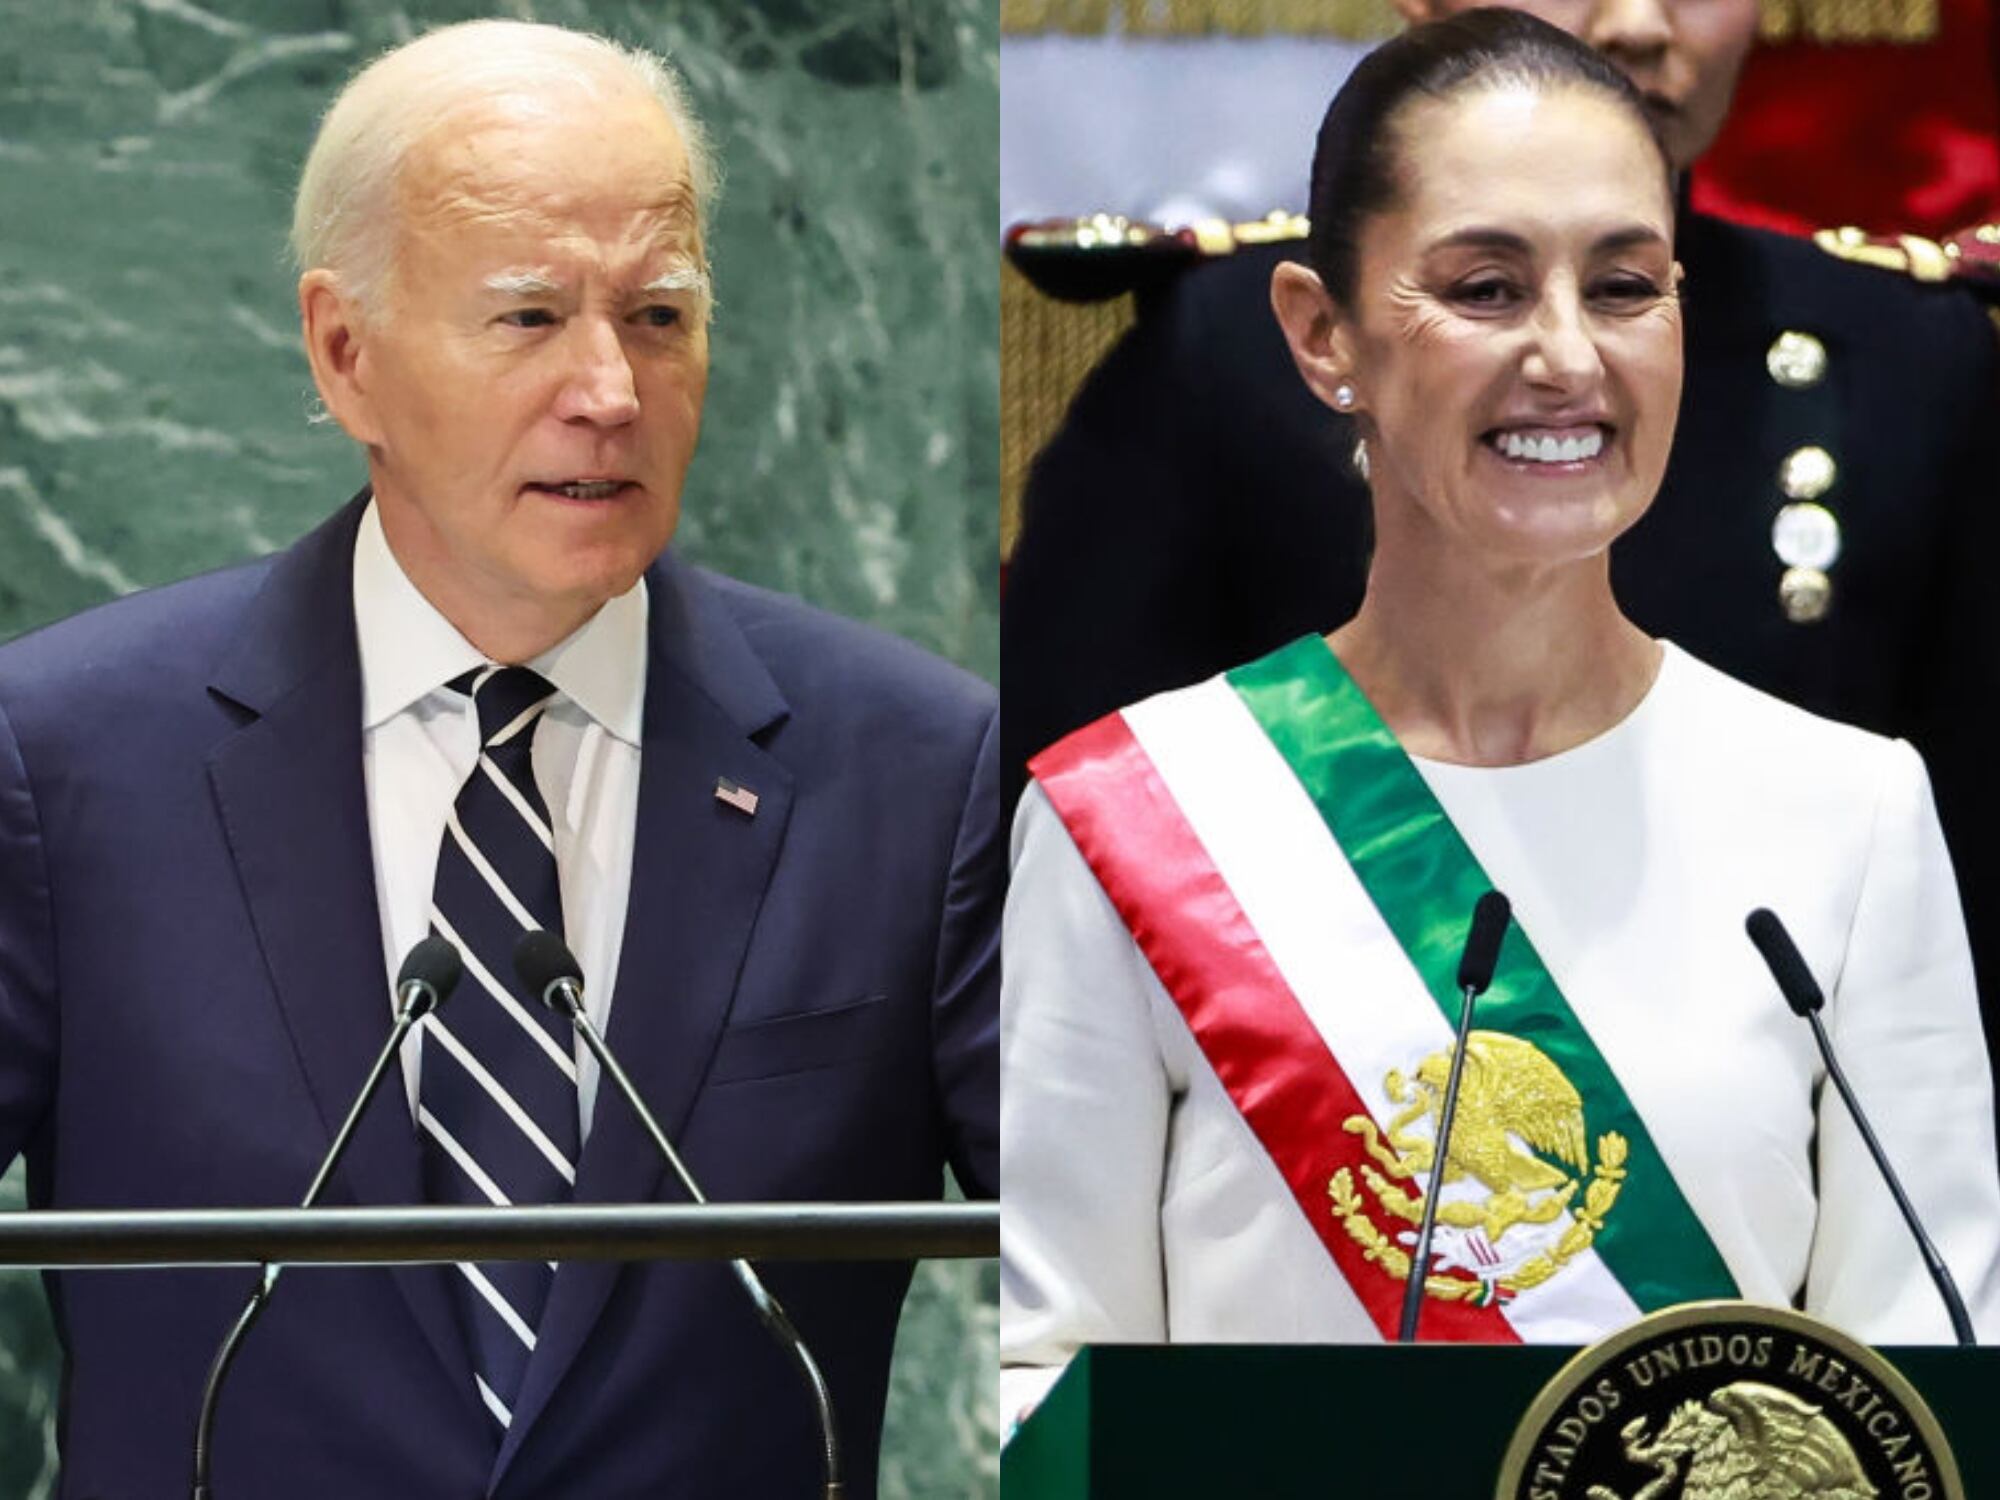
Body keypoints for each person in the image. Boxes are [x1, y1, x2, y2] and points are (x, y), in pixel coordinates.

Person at [0, 20, 997, 1498]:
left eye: (659, 318)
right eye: (530, 318)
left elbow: (1108, 1269)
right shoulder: (66, 756)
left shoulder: (914, 768)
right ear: (346, 355)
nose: (610, 389)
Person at [999, 9, 2000, 1419]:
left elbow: (1921, 1387)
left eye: (1626, 287)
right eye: (1484, 288)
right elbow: (1044, 1381)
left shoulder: (1854, 816)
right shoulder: (1130, 822)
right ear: (1320, 333)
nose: (1570, 359)